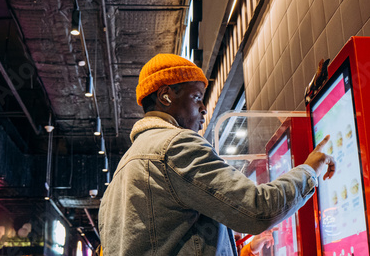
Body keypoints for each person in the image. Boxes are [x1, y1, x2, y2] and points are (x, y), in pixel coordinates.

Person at [99, 53, 335, 255]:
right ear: (166, 96)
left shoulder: (120, 175)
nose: (203, 109)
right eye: (197, 98)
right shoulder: (175, 146)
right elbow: (257, 209)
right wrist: (310, 169)